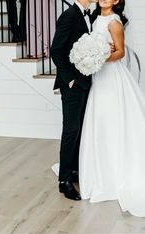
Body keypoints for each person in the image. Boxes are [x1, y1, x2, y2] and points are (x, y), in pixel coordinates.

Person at [79, 0, 145, 217]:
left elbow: (120, 53)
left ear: (117, 1)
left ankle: (114, 173)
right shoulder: (95, 18)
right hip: (99, 76)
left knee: (112, 120)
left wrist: (99, 57)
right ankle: (100, 168)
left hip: (111, 76)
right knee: (100, 122)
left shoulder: (114, 22)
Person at [50, 0, 98, 201]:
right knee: (71, 130)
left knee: (80, 128)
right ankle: (64, 181)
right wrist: (69, 79)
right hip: (73, 84)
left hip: (86, 81)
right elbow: (55, 50)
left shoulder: (89, 15)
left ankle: (75, 170)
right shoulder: (69, 15)